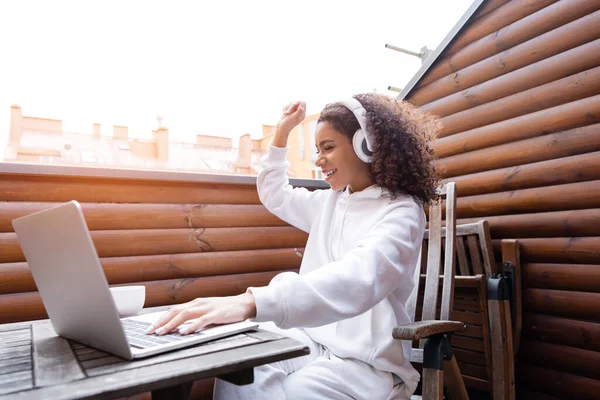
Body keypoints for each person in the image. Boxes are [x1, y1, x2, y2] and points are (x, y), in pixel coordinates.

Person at [146, 93, 440, 399]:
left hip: (365, 363)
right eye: (317, 150)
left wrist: (252, 302)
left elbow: (360, 276)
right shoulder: (331, 202)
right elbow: (276, 193)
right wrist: (282, 133)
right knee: (244, 363)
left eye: (328, 148)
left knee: (296, 390)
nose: (318, 159)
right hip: (311, 339)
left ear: (366, 146)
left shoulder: (402, 212)